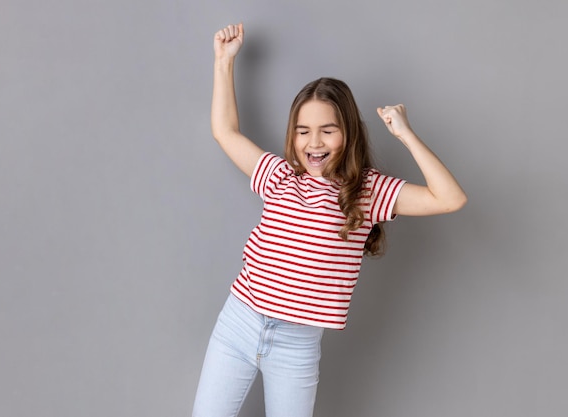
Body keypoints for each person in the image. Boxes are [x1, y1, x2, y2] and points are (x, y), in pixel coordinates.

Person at [192, 23, 467, 417]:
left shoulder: (367, 191)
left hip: (296, 345)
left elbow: (450, 198)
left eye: (327, 130)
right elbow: (225, 131)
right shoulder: (280, 175)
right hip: (238, 321)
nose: (314, 143)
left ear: (348, 133)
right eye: (303, 131)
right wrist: (224, 61)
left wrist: (405, 133)